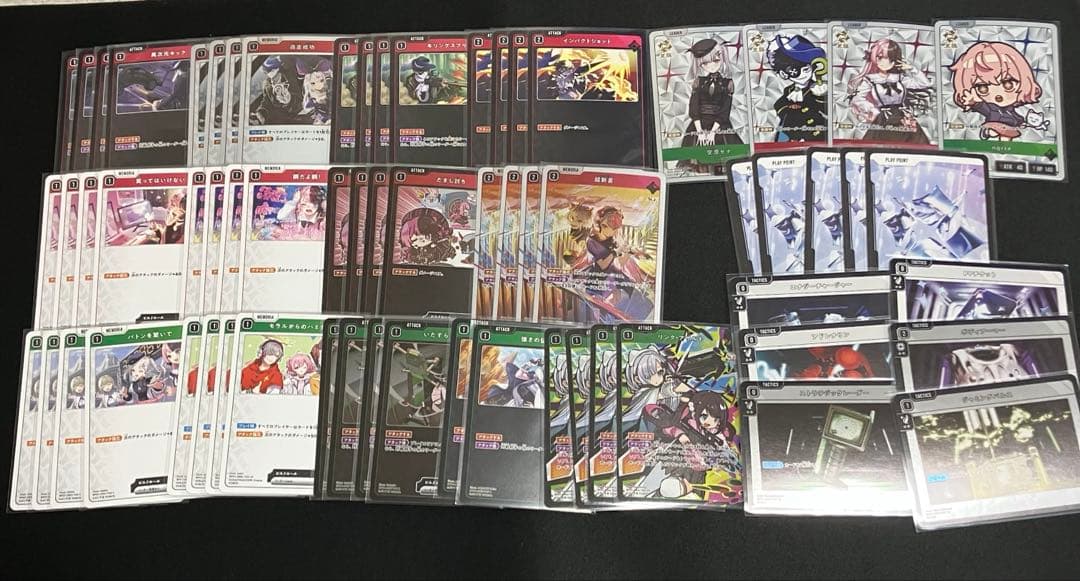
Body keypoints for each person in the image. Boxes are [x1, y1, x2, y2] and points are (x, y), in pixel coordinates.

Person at [948, 41, 1048, 141]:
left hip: (1009, 127)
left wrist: (1021, 122)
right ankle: (987, 132)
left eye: (1008, 84)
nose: (998, 95)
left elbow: (1014, 115)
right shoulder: (991, 108)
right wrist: (973, 102)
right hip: (994, 124)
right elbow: (981, 107)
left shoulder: (1010, 109)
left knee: (1007, 137)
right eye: (983, 88)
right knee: (995, 132)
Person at [846, 39, 933, 144]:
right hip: (884, 118)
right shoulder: (870, 79)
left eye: (890, 58)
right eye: (880, 57)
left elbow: (924, 84)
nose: (884, 62)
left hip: (903, 117)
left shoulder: (899, 78)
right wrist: (873, 110)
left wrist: (912, 69)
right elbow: (858, 99)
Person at [678, 38, 741, 171]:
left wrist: (713, 132)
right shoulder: (699, 81)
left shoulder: (727, 83)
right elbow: (694, 106)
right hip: (698, 124)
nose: (711, 65)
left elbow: (725, 109)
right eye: (705, 63)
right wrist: (699, 130)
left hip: (720, 124)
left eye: (716, 60)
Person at [766, 34, 828, 142]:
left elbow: (825, 109)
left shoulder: (816, 88)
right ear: (784, 74)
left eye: (807, 68)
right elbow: (779, 105)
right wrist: (790, 107)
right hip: (791, 135)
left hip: (815, 135)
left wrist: (820, 96)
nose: (805, 72)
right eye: (798, 69)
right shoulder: (789, 91)